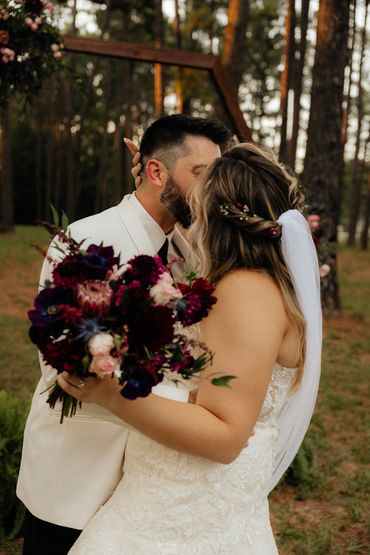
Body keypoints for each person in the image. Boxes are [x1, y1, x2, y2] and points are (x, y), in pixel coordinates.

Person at [58, 142, 322, 554]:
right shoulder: (262, 286)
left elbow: (225, 437)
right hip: (187, 507)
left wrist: (110, 395)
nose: (189, 220)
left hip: (182, 520)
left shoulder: (246, 293)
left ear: (217, 220)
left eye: (196, 209)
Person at [17, 114, 231, 555]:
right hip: (75, 481)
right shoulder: (86, 239)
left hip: (151, 488)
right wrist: (193, 408)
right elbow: (65, 363)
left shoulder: (193, 252)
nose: (212, 187)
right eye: (201, 174)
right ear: (156, 171)